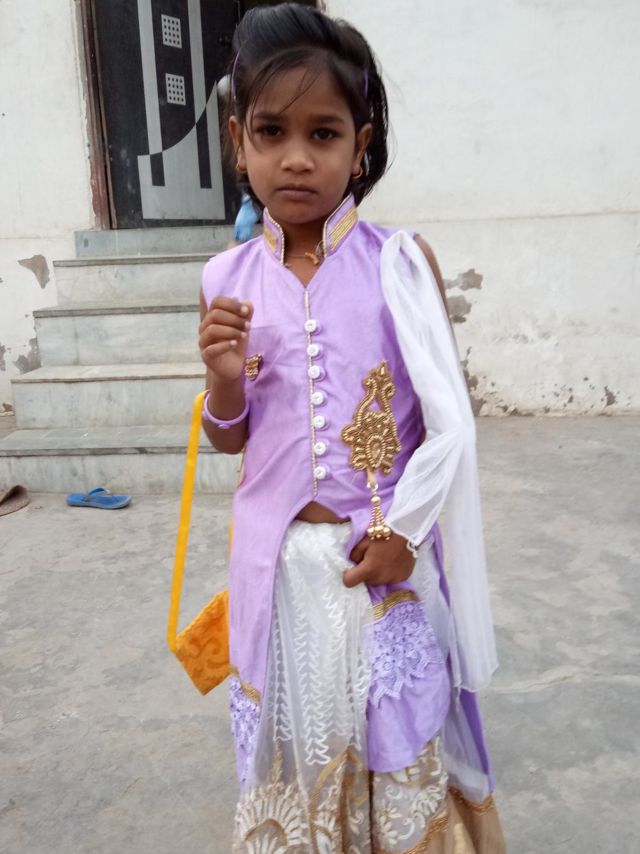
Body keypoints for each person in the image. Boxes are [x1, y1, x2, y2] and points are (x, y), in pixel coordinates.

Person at [198, 5, 506, 851]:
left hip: (380, 568)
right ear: (238, 142)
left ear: (360, 145)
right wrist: (223, 381)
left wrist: (405, 534)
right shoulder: (224, 277)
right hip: (278, 577)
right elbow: (233, 438)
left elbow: (448, 426)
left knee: (397, 753)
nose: (297, 157)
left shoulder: (399, 265)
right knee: (298, 758)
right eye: (272, 132)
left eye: (324, 133)